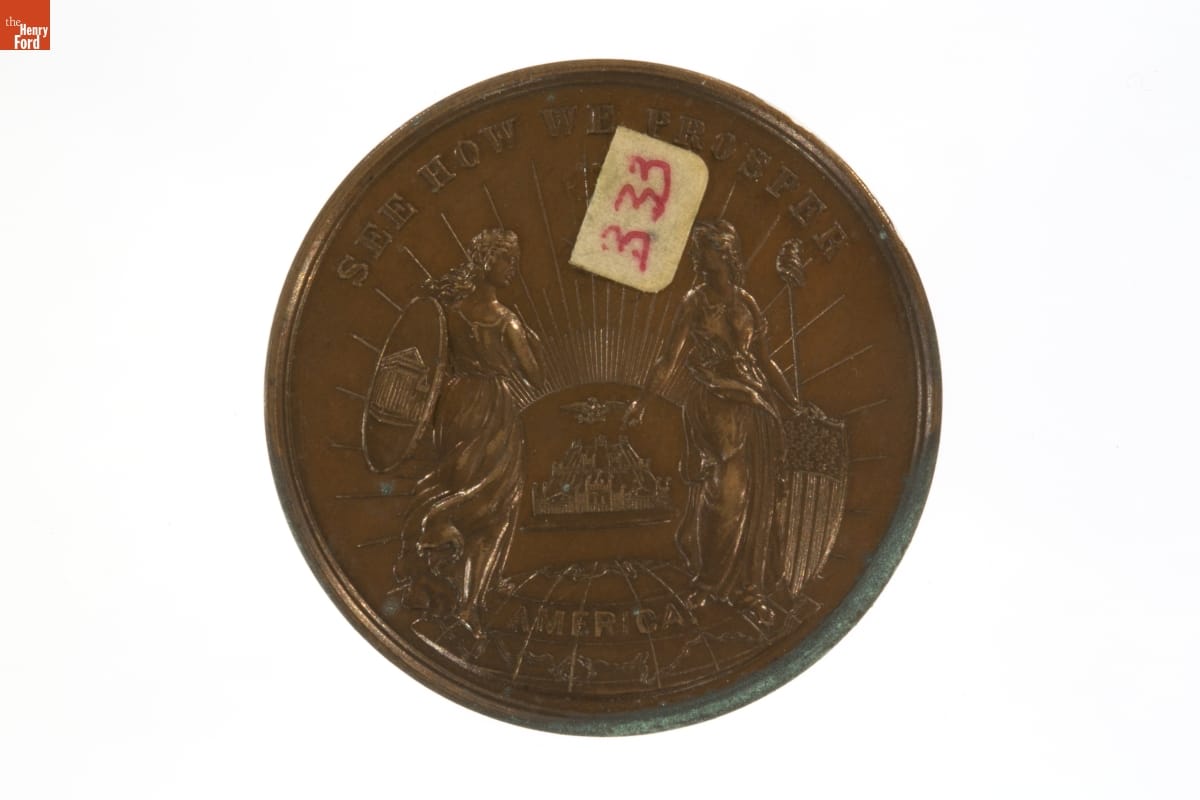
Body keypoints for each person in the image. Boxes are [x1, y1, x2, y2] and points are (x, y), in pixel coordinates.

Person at [625, 219, 798, 619]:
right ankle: (708, 582)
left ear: (725, 253)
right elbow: (668, 358)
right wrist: (642, 401)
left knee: (758, 500)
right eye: (697, 251)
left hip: (755, 408)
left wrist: (793, 402)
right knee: (723, 497)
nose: (698, 259)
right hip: (715, 405)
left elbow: (765, 361)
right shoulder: (694, 302)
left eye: (704, 250)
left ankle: (750, 589)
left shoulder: (747, 302)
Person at [395, 228, 543, 635]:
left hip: (454, 405)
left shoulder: (450, 312)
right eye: (506, 259)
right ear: (486, 261)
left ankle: (437, 540)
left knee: (453, 479)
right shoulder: (507, 321)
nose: (513, 268)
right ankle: (469, 603)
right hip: (492, 409)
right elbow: (534, 373)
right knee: (496, 503)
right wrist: (531, 340)